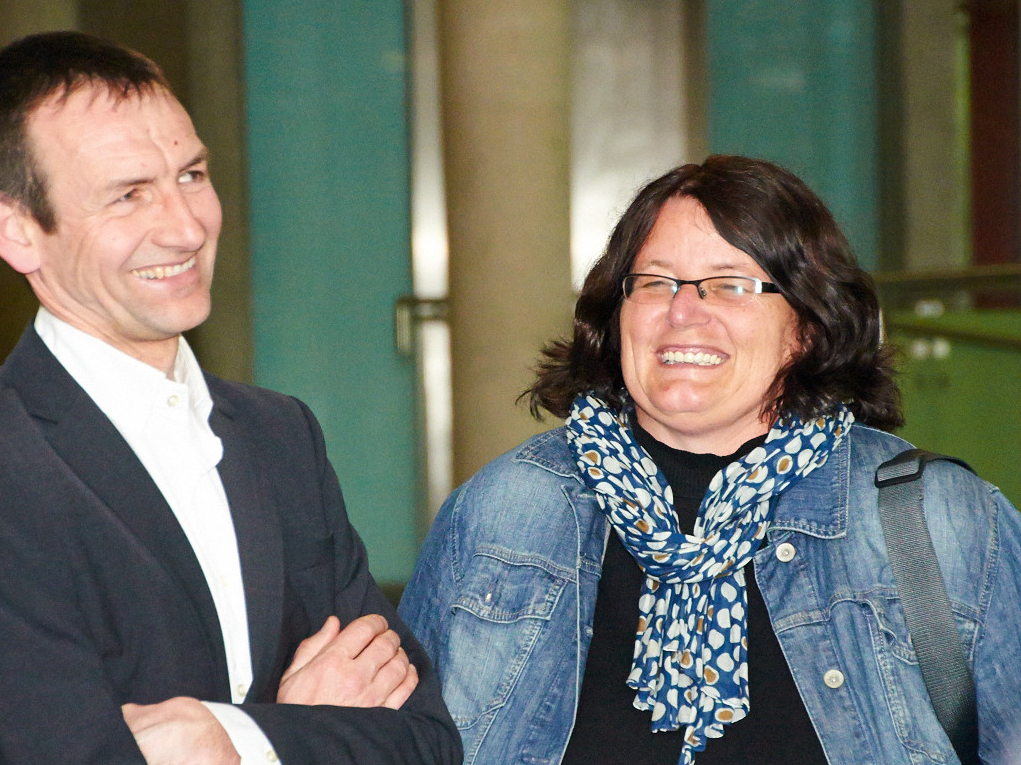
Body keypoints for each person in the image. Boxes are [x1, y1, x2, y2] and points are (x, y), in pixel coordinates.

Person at [0, 31, 460, 765]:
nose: (187, 227)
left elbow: (426, 740)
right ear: (17, 229)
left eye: (191, 174)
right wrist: (300, 731)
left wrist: (235, 740)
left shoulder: (280, 435)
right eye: (129, 194)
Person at [399, 155, 1021, 765]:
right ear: (617, 316)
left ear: (807, 326)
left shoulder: (939, 520)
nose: (683, 311)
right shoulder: (505, 513)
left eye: (730, 285)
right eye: (654, 282)